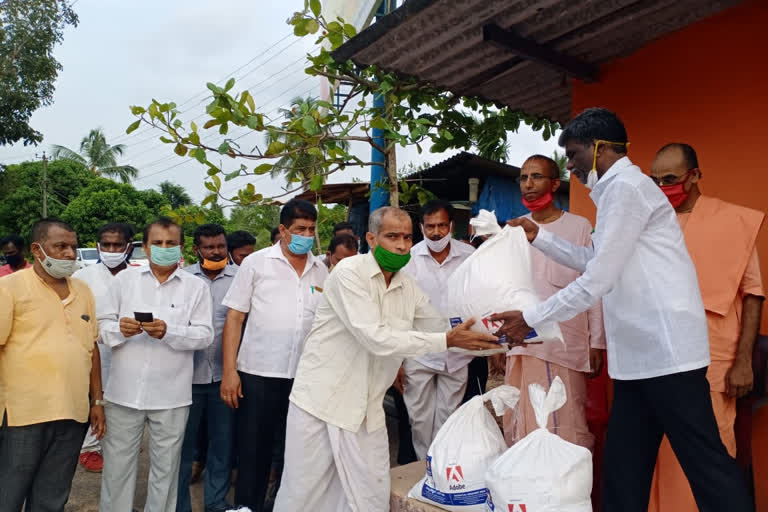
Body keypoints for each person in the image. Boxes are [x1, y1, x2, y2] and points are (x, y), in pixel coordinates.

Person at [492, 108, 752, 512]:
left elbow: (598, 280)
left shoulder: (626, 189)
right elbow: (594, 261)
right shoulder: (616, 193)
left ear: (600, 149)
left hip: (669, 359)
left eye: (575, 155)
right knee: (624, 469)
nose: (572, 168)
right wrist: (537, 236)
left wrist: (530, 319)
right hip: (638, 361)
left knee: (707, 468)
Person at [272, 206, 500, 512]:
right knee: (304, 494)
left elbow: (438, 324)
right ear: (371, 238)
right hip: (321, 403)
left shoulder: (408, 286)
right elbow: (375, 337)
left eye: (406, 237)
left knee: (371, 496)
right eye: (392, 236)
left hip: (367, 409)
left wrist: (498, 339)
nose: (402, 245)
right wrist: (447, 339)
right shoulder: (348, 273)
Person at [647, 143, 764, 511]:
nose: (664, 186)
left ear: (695, 175)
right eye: (656, 180)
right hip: (657, 357)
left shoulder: (734, 222)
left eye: (671, 178)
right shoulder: (650, 225)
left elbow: (753, 294)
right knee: (660, 455)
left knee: (710, 455)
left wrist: (743, 360)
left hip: (714, 358)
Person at [98, 217, 214, 512]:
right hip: (123, 393)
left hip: (171, 396)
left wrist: (169, 332)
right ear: (145, 248)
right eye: (158, 243)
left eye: (171, 243)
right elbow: (101, 328)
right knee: (117, 470)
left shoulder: (195, 287)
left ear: (181, 247)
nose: (164, 248)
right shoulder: (124, 281)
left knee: (166, 472)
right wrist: (119, 330)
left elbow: (204, 335)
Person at [220, 199, 329, 512]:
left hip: (303, 377)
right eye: (299, 229)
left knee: (294, 452)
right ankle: (246, 508)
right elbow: (235, 318)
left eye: (311, 229)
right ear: (283, 230)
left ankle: (282, 505)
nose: (306, 235)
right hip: (258, 374)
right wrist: (230, 372)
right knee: (254, 450)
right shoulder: (256, 263)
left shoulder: (321, 270)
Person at [492, 155, 605, 449]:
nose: (528, 184)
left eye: (536, 177)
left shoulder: (580, 227)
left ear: (555, 183)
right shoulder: (512, 230)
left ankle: (563, 491)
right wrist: (495, 341)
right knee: (520, 422)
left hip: (566, 345)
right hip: (522, 341)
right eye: (524, 177)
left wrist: (597, 342)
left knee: (565, 424)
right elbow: (500, 287)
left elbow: (594, 285)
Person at [0, 218, 105, 511]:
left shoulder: (82, 291)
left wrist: (97, 400)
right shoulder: (9, 288)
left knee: (53, 495)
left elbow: (91, 347)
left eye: (73, 246)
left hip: (72, 413)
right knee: (8, 493)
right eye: (60, 246)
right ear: (37, 249)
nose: (70, 254)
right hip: (23, 415)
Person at [400, 199, 476, 459]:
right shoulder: (408, 258)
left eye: (442, 225)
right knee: (419, 419)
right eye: (430, 226)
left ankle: (442, 469)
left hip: (456, 353)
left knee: (449, 417)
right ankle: (425, 469)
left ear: (452, 225)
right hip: (418, 351)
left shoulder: (469, 257)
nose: (436, 232)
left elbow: (479, 298)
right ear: (421, 227)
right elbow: (399, 308)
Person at [177, 224, 237, 512]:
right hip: (185, 379)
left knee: (222, 446)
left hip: (225, 379)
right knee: (182, 449)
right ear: (196, 249)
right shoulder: (183, 279)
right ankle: (180, 506)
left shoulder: (240, 278)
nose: (216, 252)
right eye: (209, 247)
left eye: (220, 246)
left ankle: (216, 504)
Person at [74, 222, 135, 473]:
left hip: (127, 347)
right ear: (98, 246)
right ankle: (89, 447)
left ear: (128, 247)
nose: (111, 249)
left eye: (117, 244)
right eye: (106, 244)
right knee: (95, 398)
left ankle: (111, 442)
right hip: (93, 347)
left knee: (119, 400)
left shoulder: (137, 277)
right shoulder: (81, 277)